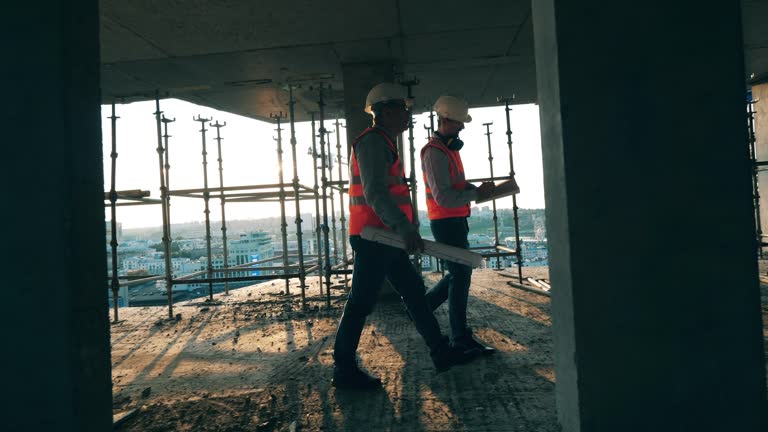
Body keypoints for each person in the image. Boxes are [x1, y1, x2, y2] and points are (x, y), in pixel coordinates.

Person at [332, 83, 471, 389]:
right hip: (374, 238)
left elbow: (389, 194)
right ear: (386, 111)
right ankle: (343, 369)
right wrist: (404, 227)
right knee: (360, 303)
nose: (409, 114)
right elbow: (375, 193)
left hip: (387, 237)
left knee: (414, 295)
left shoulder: (385, 141)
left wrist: (405, 229)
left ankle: (441, 351)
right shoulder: (372, 142)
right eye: (403, 108)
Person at [421, 95, 497, 357]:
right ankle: (459, 338)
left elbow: (456, 186)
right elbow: (442, 196)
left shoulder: (449, 150)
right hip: (445, 221)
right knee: (461, 274)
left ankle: (420, 309)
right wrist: (478, 196)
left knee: (458, 273)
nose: (462, 127)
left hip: (455, 219)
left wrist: (477, 190)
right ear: (443, 121)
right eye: (457, 123)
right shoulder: (434, 152)